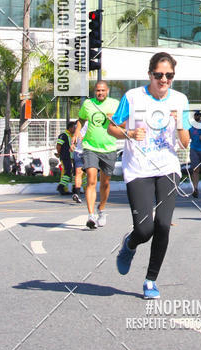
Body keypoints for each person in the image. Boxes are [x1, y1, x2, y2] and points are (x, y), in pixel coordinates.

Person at [110, 52, 190, 299]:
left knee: (163, 225)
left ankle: (150, 280)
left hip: (168, 167)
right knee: (144, 230)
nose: (164, 80)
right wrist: (129, 134)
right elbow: (112, 127)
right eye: (159, 75)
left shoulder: (180, 99)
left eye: (169, 75)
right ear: (150, 74)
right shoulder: (132, 97)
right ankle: (130, 244)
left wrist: (179, 123)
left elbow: (185, 142)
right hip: (138, 168)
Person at [73, 80, 120, 229]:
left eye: (103, 90)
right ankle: (91, 215)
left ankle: (101, 209)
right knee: (91, 179)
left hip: (109, 148)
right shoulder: (88, 104)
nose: (100, 93)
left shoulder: (115, 104)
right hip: (90, 147)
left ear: (107, 91)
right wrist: (77, 131)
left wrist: (114, 119)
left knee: (105, 183)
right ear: (95, 92)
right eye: (98, 90)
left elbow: (124, 122)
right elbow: (81, 119)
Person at [55, 120, 76, 196]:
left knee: (72, 172)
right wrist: (59, 153)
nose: (75, 129)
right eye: (74, 128)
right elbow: (58, 146)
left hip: (71, 157)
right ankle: (61, 186)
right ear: (70, 128)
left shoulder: (72, 136)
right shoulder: (63, 135)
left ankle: (73, 188)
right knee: (67, 171)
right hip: (65, 156)